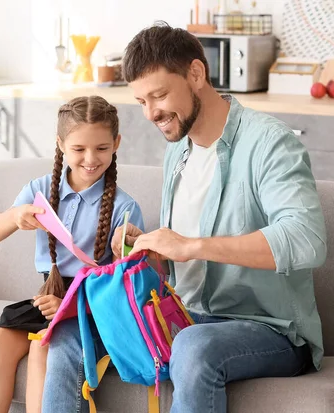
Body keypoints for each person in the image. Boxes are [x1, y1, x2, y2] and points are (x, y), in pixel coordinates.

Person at [41, 22, 327, 413]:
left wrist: (191, 247)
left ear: (195, 74)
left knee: (191, 344)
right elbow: (181, 263)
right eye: (141, 102)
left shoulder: (270, 143)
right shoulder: (179, 151)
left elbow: (305, 239)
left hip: (269, 329)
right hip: (183, 313)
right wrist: (151, 248)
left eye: (159, 95)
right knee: (70, 334)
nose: (151, 113)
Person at [0, 95, 145, 413]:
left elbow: (127, 290)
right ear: (61, 144)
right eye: (79, 149)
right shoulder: (40, 190)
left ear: (116, 143)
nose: (90, 158)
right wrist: (15, 217)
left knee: (44, 348)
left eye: (102, 148)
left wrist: (129, 245)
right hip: (49, 297)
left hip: (93, 307)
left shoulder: (125, 207)